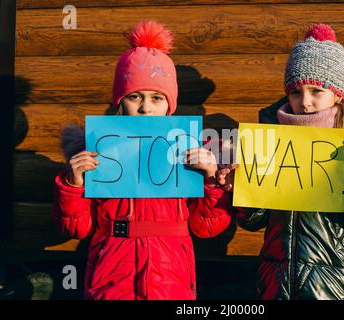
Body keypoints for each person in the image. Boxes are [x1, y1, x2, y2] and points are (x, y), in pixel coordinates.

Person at [52, 21, 232, 300]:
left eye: (156, 98)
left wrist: (211, 181)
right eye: (135, 96)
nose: (146, 107)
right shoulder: (96, 154)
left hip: (170, 278)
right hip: (111, 276)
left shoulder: (188, 153)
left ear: (168, 105)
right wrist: (73, 184)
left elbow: (205, 227)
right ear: (120, 102)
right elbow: (76, 228)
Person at [217, 24, 344, 300]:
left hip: (338, 284)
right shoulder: (270, 139)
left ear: (338, 94)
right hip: (278, 282)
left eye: (316, 91)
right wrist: (241, 187)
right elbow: (254, 221)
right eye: (296, 92)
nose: (305, 102)